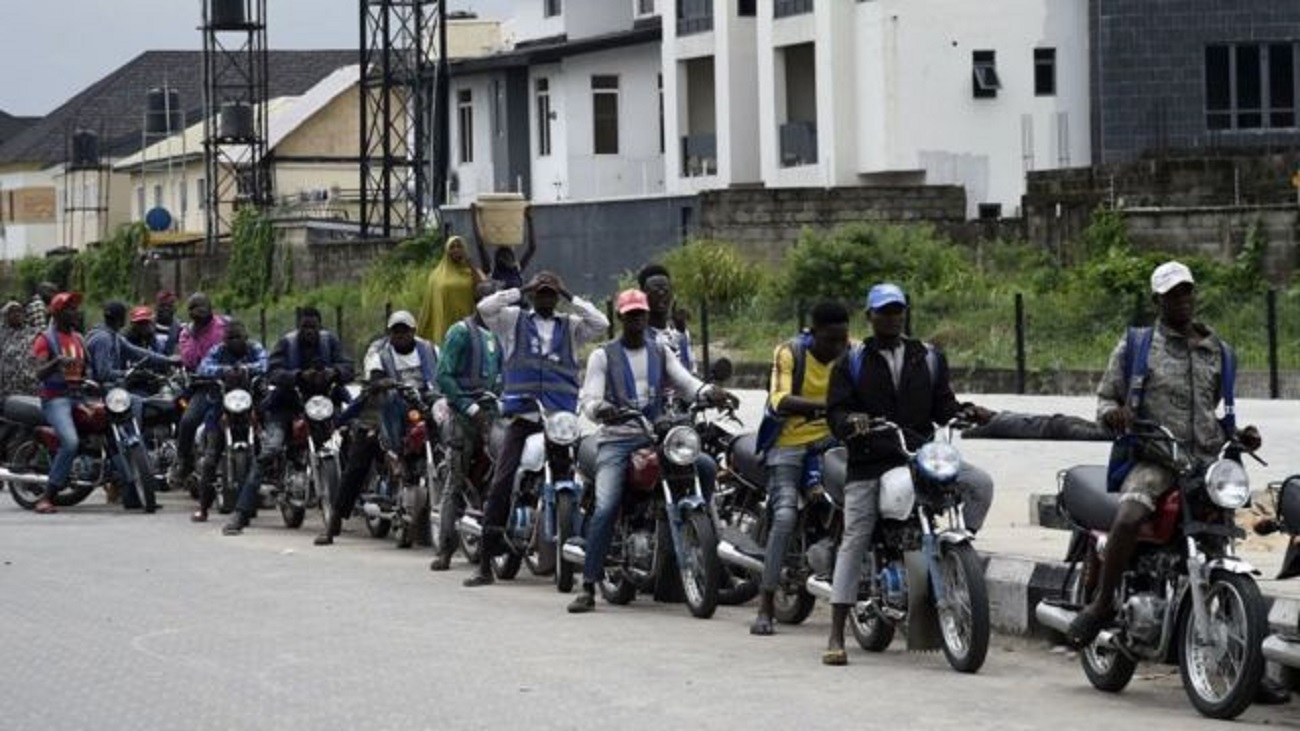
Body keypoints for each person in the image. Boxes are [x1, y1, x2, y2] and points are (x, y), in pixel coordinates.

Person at [1067, 261, 1262, 647]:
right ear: (1157, 300)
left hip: (1205, 465)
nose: (1183, 299)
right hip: (1155, 460)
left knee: (1219, 538)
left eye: (1187, 290)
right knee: (1127, 517)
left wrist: (1240, 434)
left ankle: (1245, 654)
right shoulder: (1137, 346)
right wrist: (1114, 414)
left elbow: (1214, 411)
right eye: (1173, 294)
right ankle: (1103, 604)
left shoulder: (1217, 351)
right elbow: (1107, 397)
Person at [821, 282, 994, 665]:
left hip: (920, 453)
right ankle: (836, 632)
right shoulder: (852, 361)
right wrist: (853, 421)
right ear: (870, 316)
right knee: (855, 536)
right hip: (870, 461)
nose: (892, 317)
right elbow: (835, 413)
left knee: (979, 484)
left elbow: (942, 404)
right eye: (884, 311)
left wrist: (963, 411)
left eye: (898, 310)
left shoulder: (928, 356)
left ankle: (955, 556)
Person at [566, 289, 736, 613]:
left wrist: (712, 392)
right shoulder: (603, 355)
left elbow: (688, 383)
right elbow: (589, 399)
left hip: (657, 436)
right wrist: (601, 409)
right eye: (630, 315)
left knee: (706, 468)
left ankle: (699, 543)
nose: (637, 320)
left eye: (641, 314)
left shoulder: (660, 350)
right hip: (617, 439)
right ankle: (588, 585)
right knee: (606, 505)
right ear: (620, 318)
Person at [466, 270, 609, 586]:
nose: (545, 298)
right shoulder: (512, 320)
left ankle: (571, 554)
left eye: (550, 294)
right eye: (541, 293)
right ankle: (485, 566)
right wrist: (521, 289)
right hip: (522, 417)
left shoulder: (570, 327)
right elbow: (485, 308)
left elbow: (603, 324)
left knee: (573, 479)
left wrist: (570, 295)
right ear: (533, 295)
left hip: (560, 421)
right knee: (502, 483)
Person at [750, 301, 850, 636]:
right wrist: (827, 406)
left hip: (833, 442)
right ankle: (765, 604)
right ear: (814, 332)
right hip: (789, 444)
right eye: (830, 340)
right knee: (785, 516)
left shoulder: (852, 353)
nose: (837, 347)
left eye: (842, 340)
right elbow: (779, 400)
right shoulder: (789, 352)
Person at [224, 307, 354, 535]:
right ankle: (240, 513)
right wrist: (296, 376)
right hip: (287, 406)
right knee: (270, 451)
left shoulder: (330, 342)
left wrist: (333, 373)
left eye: (314, 326)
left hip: (321, 404)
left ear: (320, 326)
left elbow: (348, 367)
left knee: (353, 434)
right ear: (298, 326)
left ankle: (354, 501)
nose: (309, 331)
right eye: (305, 326)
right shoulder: (286, 344)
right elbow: (272, 371)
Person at [314, 310, 437, 546]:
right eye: (396, 331)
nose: (401, 335)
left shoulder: (430, 350)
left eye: (405, 330)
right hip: (383, 408)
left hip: (423, 407)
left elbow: (442, 373)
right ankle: (334, 523)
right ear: (389, 333)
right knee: (359, 460)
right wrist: (381, 382)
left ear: (414, 331)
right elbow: (374, 377)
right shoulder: (378, 352)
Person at [430, 281, 503, 571]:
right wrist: (470, 408)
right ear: (479, 302)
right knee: (455, 480)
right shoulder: (460, 332)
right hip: (464, 416)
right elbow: (444, 376)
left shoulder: (500, 335)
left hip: (493, 414)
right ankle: (446, 549)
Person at [191, 320, 268, 523]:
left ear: (246, 338)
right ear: (224, 340)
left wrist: (246, 369)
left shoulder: (255, 348)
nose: (234, 341)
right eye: (230, 338)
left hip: (250, 405)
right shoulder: (217, 351)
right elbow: (203, 367)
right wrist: (224, 371)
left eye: (238, 337)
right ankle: (203, 507)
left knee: (269, 445)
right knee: (210, 459)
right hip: (221, 407)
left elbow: (265, 363)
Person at [30, 292, 90, 514]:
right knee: (71, 443)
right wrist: (56, 362)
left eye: (75, 308)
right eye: (70, 309)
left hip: (79, 397)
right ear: (57, 313)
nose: (75, 312)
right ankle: (46, 497)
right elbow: (38, 373)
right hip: (56, 400)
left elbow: (89, 370)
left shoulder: (79, 339)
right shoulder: (45, 339)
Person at [169, 293, 229, 489]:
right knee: (188, 420)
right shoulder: (186, 332)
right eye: (194, 309)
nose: (199, 312)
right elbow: (189, 360)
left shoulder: (225, 325)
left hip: (232, 385)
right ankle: (183, 462)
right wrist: (195, 336)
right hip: (205, 386)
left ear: (211, 308)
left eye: (202, 307)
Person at [417, 235, 483, 345]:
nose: (456, 249)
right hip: (445, 324)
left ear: (464, 249)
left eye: (459, 246)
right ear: (447, 251)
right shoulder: (437, 275)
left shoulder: (470, 272)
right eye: (452, 247)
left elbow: (480, 290)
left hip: (466, 321)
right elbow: (430, 304)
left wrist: (472, 266)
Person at [637, 264, 693, 372]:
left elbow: (691, 369)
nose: (661, 294)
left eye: (666, 290)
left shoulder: (681, 331)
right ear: (643, 295)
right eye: (655, 291)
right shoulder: (639, 335)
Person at [474, 205, 537, 291]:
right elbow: (480, 245)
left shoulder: (517, 269)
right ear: (497, 258)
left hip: (517, 304)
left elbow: (532, 248)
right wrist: (475, 216)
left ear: (513, 258)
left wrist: (529, 219)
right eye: (503, 256)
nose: (506, 258)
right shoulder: (490, 269)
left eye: (508, 255)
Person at [0, 301, 37, 398]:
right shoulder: (2, 334)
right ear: (5, 316)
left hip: (30, 385)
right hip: (7, 387)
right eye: (12, 312)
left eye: (19, 311)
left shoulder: (33, 332)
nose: (16, 314)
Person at [154, 291, 181, 356]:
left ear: (174, 308)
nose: (166, 309)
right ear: (156, 307)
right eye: (162, 306)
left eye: (169, 306)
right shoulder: (147, 324)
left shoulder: (180, 328)